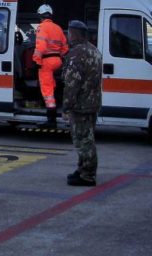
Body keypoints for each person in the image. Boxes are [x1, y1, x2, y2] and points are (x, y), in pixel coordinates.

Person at [61, 20, 103, 187]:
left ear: (75, 34)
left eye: (70, 33)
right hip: (93, 103)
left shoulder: (77, 53)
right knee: (88, 137)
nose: (68, 36)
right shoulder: (94, 50)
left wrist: (66, 106)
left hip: (81, 105)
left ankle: (87, 175)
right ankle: (83, 169)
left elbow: (72, 83)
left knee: (83, 141)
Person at [33, 4, 69, 127]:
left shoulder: (42, 27)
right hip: (58, 60)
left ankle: (51, 119)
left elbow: (41, 47)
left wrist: (37, 61)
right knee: (54, 84)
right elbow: (65, 48)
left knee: (47, 89)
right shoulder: (58, 28)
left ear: (40, 16)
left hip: (47, 62)